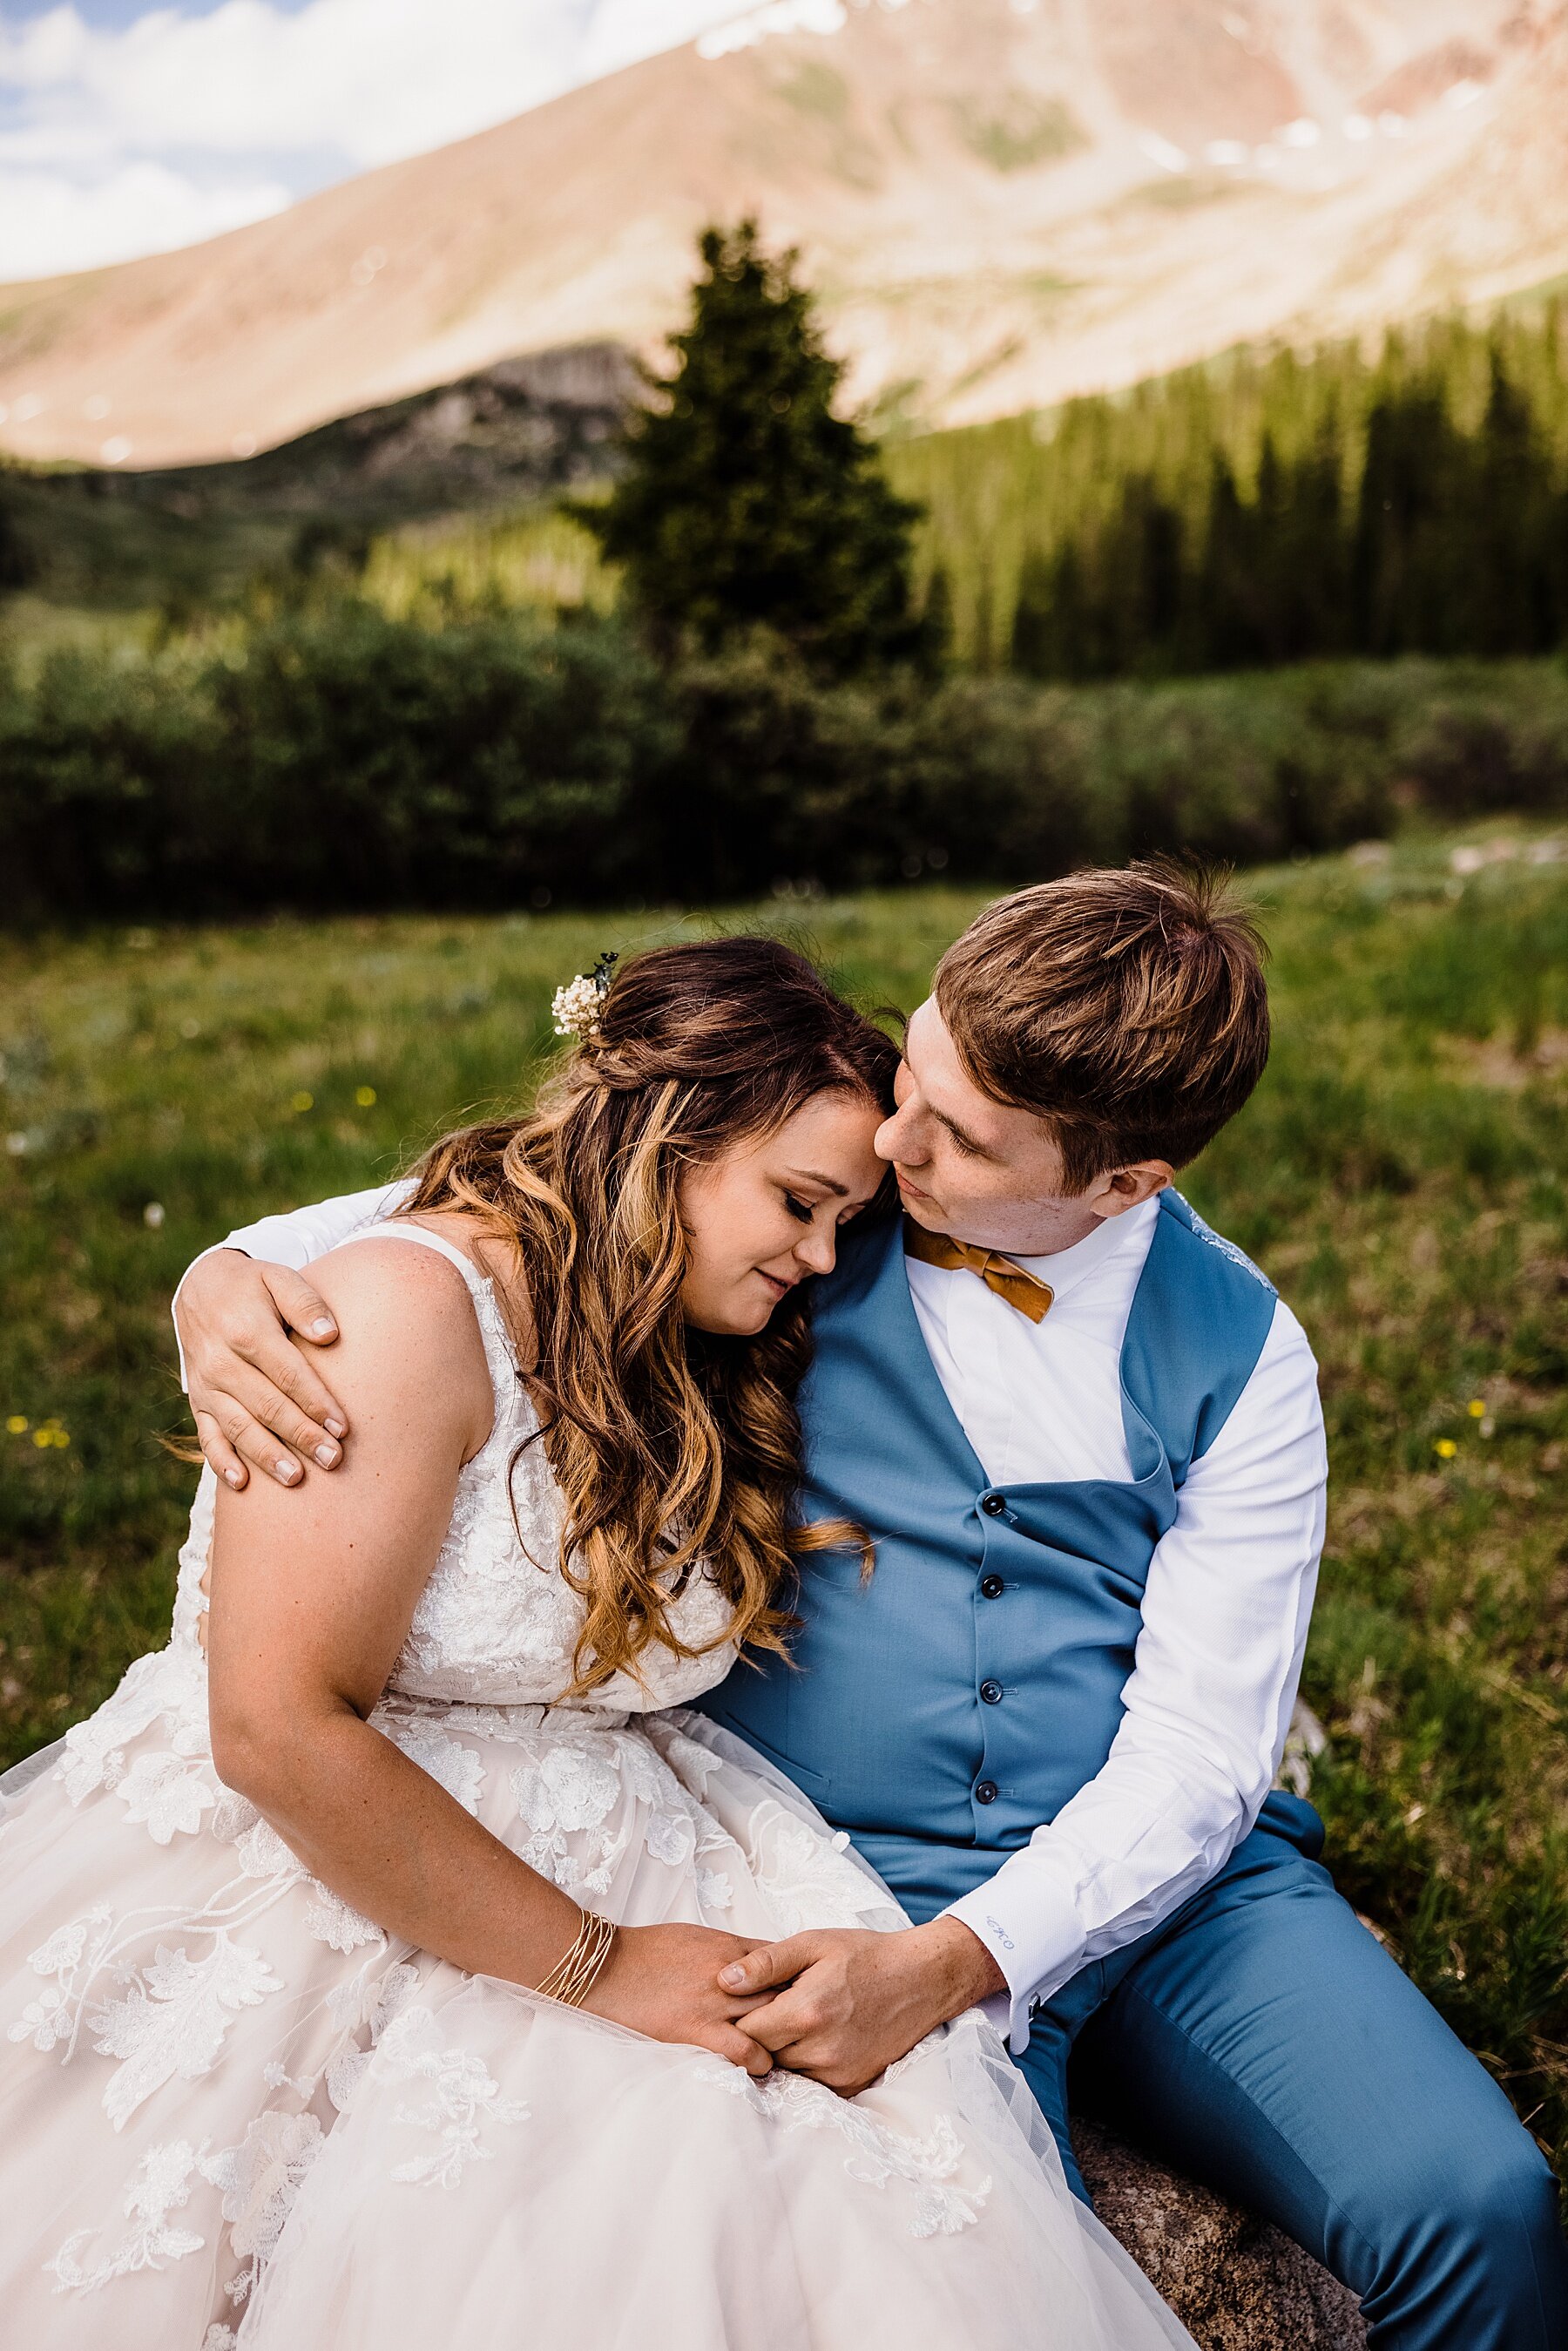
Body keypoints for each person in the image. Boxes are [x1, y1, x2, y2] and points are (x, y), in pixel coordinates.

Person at [175, 865, 1568, 2349]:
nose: (896, 1133)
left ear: (1122, 1185)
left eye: (959, 1136)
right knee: (927, 2281)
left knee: (1482, 2208)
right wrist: (224, 1274)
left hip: (1170, 1899)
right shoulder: (801, 1201)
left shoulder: (1248, 1350)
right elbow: (497, 1213)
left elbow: (1198, 1757)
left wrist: (957, 1962)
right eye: (918, 1065)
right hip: (826, 1865)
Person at [0, 937, 1190, 2351]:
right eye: (801, 1205)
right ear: (666, 1140)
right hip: (315, 1856)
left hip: (632, 1821)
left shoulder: (675, 1314)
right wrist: (607, 1964)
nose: (820, 1258)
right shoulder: (394, 1313)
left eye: (839, 1220)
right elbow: (275, 1730)